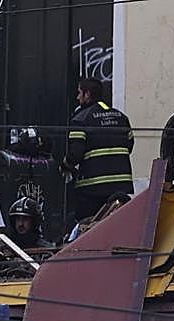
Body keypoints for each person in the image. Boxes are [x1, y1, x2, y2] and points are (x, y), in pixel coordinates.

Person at [65, 78, 134, 226]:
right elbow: (130, 145)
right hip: (121, 186)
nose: (77, 98)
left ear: (87, 94)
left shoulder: (80, 119)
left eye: (79, 93)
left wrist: (64, 165)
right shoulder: (121, 117)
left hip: (92, 189)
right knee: (118, 225)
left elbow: (75, 154)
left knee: (89, 227)